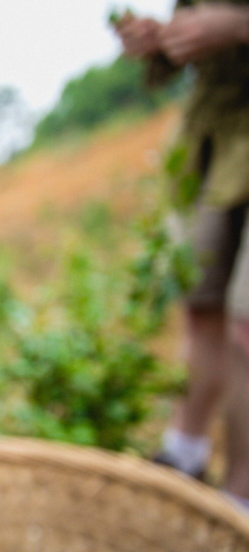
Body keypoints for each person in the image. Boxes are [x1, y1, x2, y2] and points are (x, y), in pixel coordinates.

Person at [116, 1, 249, 509]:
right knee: (200, 301)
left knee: (245, 323)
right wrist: (165, 41)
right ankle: (185, 454)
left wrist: (237, 25)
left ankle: (240, 493)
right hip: (213, 131)